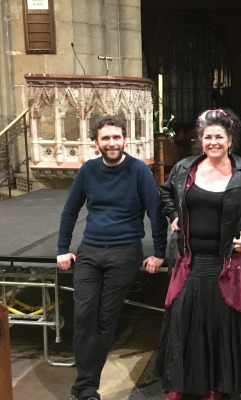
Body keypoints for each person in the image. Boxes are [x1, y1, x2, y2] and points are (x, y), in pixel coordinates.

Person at [154, 108, 241, 400]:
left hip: (226, 265)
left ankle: (215, 386)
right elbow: (166, 193)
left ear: (230, 140)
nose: (213, 142)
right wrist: (174, 215)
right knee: (184, 323)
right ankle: (181, 383)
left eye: (219, 137)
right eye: (208, 137)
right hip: (189, 261)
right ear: (201, 140)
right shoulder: (185, 168)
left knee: (218, 328)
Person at [56, 115, 167, 400]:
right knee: (83, 317)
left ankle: (85, 389)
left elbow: (156, 213)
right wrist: (62, 248)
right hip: (90, 251)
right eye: (105, 138)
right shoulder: (88, 171)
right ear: (96, 143)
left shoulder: (139, 171)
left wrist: (159, 253)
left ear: (124, 140)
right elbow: (70, 211)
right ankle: (86, 387)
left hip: (124, 252)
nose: (112, 142)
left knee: (106, 319)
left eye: (116, 137)